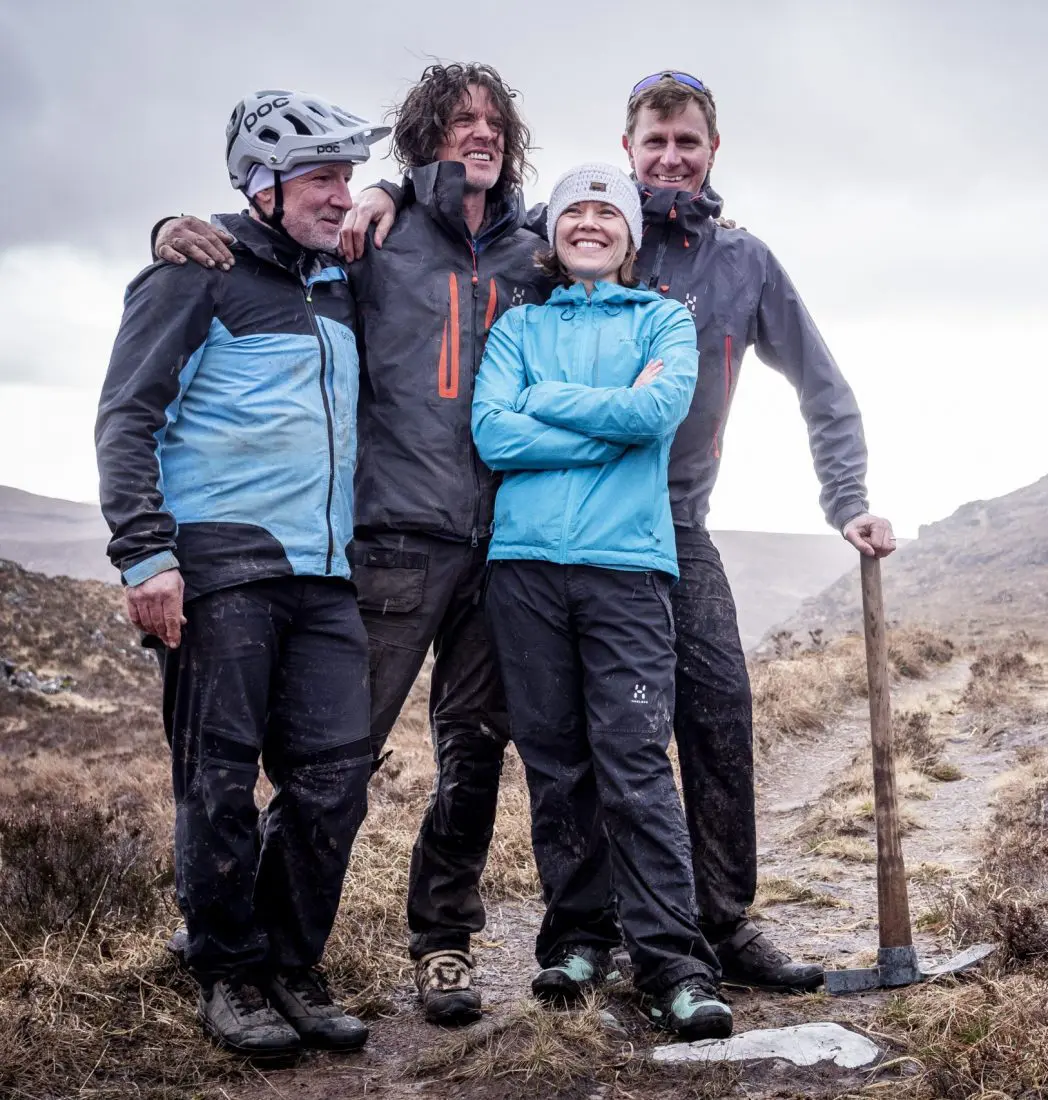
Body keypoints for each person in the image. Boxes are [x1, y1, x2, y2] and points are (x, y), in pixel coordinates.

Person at [342, 71, 898, 992]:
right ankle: (587, 929)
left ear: (711, 151)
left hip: (673, 527)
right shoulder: (546, 248)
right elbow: (460, 210)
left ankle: (721, 924)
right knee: (565, 742)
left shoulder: (741, 260)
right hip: (542, 535)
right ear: (627, 149)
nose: (670, 157)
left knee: (714, 719)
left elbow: (820, 386)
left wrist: (847, 499)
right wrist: (384, 188)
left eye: (688, 142)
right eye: (654, 142)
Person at [152, 64, 556, 1025]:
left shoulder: (533, 251)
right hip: (388, 542)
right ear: (423, 138)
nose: (481, 134)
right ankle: (237, 947)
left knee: (474, 751)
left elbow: (614, 245)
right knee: (335, 761)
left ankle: (443, 943)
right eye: (459, 121)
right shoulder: (373, 233)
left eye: (495, 122)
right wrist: (170, 230)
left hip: (504, 544)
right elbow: (266, 249)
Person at [96, 90, 388, 1056]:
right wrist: (146, 552)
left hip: (324, 570)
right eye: (320, 177)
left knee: (334, 779)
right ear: (260, 185)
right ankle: (227, 971)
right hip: (222, 567)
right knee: (216, 781)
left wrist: (377, 199)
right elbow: (126, 418)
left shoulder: (337, 282)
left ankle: (287, 962)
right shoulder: (194, 274)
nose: (338, 194)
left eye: (346, 176)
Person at [473, 163, 730, 1039]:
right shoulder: (518, 327)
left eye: (605, 212)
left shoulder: (662, 318)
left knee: (635, 765)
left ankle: (675, 966)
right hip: (525, 568)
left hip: (629, 569)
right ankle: (577, 940)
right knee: (556, 766)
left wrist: (551, 407)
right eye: (573, 211)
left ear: (629, 235)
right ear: (554, 234)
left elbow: (656, 413)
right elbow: (492, 432)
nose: (589, 223)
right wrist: (603, 424)